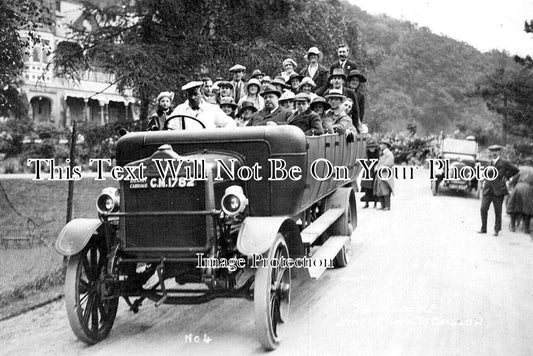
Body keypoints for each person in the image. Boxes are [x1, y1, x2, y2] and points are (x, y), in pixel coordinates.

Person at [479, 145, 519, 236]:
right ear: (490, 152)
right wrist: (483, 182)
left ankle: (496, 230)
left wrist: (506, 176)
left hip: (498, 190)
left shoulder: (504, 162)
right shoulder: (488, 163)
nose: (494, 153)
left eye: (496, 151)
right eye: (492, 151)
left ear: (499, 152)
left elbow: (516, 170)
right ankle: (483, 228)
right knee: (483, 208)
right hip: (488, 190)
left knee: (498, 211)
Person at [170, 81, 236, 129]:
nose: (193, 98)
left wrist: (218, 136)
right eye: (190, 95)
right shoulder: (179, 110)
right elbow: (171, 128)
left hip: (208, 146)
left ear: (201, 93)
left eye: (195, 94)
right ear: (186, 95)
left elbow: (230, 123)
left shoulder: (212, 109)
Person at [506, 157, 533, 234]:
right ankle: (526, 229)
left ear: (525, 162)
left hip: (518, 187)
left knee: (513, 207)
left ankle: (513, 227)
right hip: (528, 189)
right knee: (528, 208)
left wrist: (512, 185)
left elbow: (514, 179)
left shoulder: (520, 168)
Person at [373, 140, 395, 210]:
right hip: (380, 174)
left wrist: (378, 168)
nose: (380, 146)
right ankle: (383, 205)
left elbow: (388, 164)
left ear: (385, 145)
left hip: (386, 174)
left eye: (381, 144)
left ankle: (387, 206)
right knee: (380, 190)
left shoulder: (389, 154)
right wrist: (376, 167)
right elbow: (379, 163)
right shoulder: (382, 154)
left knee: (386, 190)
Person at [361, 139, 379, 208]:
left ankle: (375, 203)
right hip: (368, 169)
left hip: (375, 170)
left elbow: (378, 161)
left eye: (373, 147)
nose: (372, 148)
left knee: (375, 187)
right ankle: (366, 203)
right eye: (371, 147)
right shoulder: (367, 152)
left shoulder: (377, 152)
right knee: (366, 187)